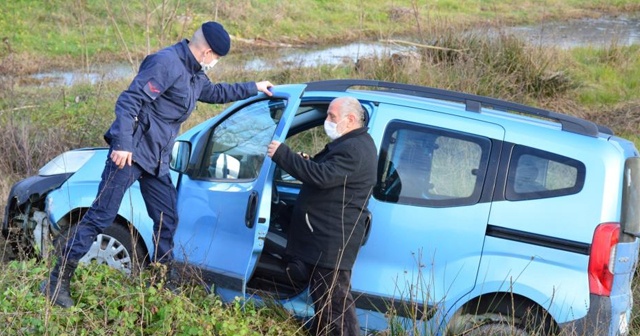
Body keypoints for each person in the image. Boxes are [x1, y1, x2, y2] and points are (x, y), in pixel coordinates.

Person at [41, 21, 274, 308]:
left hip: (156, 159)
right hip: (131, 154)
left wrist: (255, 88)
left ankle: (162, 281)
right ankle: (55, 281)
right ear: (208, 52)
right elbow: (129, 102)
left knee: (167, 218)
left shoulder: (192, 73)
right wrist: (123, 144)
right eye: (215, 58)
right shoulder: (166, 63)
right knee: (101, 216)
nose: (214, 63)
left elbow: (215, 94)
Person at [267, 96, 377, 336]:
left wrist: (283, 155)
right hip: (327, 242)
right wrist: (307, 161)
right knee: (327, 307)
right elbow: (328, 173)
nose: (326, 121)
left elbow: (322, 177)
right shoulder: (350, 143)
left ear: (350, 120)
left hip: (332, 244)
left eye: (331, 116)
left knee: (336, 309)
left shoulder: (354, 149)